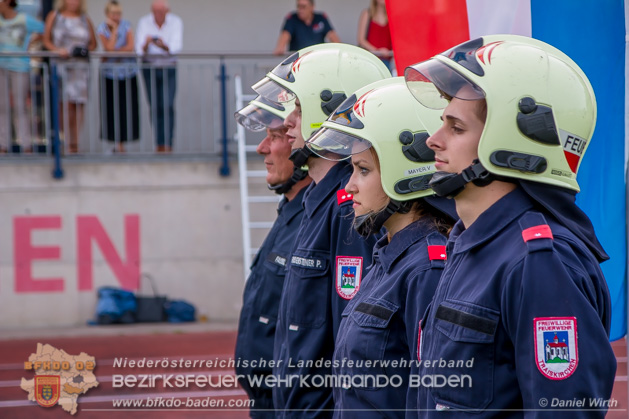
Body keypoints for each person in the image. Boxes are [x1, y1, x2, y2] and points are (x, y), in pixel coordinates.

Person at [403, 34, 616, 416]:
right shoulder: (469, 242)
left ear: (511, 144)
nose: (433, 141)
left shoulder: (540, 263)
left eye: (455, 128)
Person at [253, 43, 391, 417]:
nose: (290, 120)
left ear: (333, 110)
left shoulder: (347, 210)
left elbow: (352, 343)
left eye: (298, 108)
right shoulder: (318, 201)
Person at [306, 77, 457, 417]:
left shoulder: (426, 270)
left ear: (405, 173)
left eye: (362, 170)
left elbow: (430, 398)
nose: (349, 186)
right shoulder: (388, 257)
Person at [233, 96, 312, 418]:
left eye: (278, 136)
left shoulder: (320, 224)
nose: (262, 148)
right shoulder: (291, 213)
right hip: (270, 400)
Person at [42, 0, 97, 154]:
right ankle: (65, 141)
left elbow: (93, 44)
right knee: (64, 105)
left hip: (80, 68)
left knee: (78, 105)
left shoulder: (85, 19)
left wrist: (83, 50)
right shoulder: (54, 16)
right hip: (61, 66)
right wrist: (58, 50)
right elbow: (46, 40)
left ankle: (75, 143)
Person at [135, 0, 182, 153]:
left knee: (167, 105)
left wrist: (163, 46)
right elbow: (139, 50)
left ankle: (168, 143)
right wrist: (147, 44)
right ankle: (159, 144)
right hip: (150, 68)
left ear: (167, 11)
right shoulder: (144, 22)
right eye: (155, 11)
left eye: (161, 11)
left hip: (168, 67)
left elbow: (175, 48)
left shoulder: (175, 22)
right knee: (155, 106)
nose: (158, 15)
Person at [0, 0, 44, 153]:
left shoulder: (24, 19)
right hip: (1, 67)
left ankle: (26, 145)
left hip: (20, 67)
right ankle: (3, 145)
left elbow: (44, 30)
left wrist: (31, 41)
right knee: (2, 106)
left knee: (20, 106)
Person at [97, 0, 139, 152]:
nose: (116, 17)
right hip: (109, 74)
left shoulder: (127, 25)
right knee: (111, 109)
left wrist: (115, 52)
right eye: (113, 14)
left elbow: (130, 47)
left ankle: (123, 144)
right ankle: (115, 144)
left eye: (118, 14)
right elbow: (108, 48)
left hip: (127, 73)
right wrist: (114, 30)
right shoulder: (102, 28)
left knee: (126, 107)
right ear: (107, 14)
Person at [273, 0, 340, 55]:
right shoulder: (292, 19)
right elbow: (285, 35)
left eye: (303, 7)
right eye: (298, 6)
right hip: (298, 61)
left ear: (312, 7)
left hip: (317, 58)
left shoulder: (321, 18)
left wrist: (340, 50)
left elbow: (332, 35)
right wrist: (280, 47)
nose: (300, 10)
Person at [357, 0, 392, 70]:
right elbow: (361, 40)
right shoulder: (367, 14)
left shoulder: (391, 16)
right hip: (370, 60)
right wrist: (377, 51)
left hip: (386, 61)